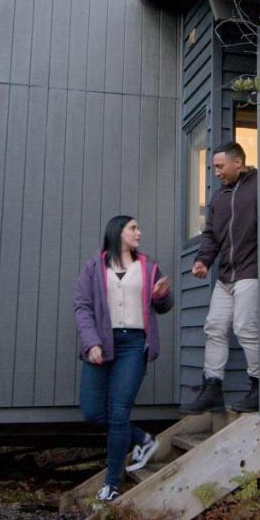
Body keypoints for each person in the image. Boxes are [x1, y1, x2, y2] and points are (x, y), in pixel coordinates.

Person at [181, 141, 260, 415]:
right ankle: (212, 387)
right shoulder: (219, 198)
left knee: (245, 326)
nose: (216, 172)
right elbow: (211, 235)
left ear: (238, 162)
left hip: (253, 271)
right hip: (226, 276)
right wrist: (202, 260)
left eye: (220, 166)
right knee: (214, 327)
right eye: (214, 167)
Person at [75, 215, 173, 503]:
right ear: (118, 232)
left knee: (118, 413)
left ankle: (112, 484)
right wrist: (91, 342)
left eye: (139, 228)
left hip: (134, 344)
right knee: (92, 412)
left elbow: (164, 306)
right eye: (133, 228)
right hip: (101, 343)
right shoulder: (94, 267)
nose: (139, 232)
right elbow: (82, 306)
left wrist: (161, 297)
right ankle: (143, 439)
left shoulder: (149, 266)